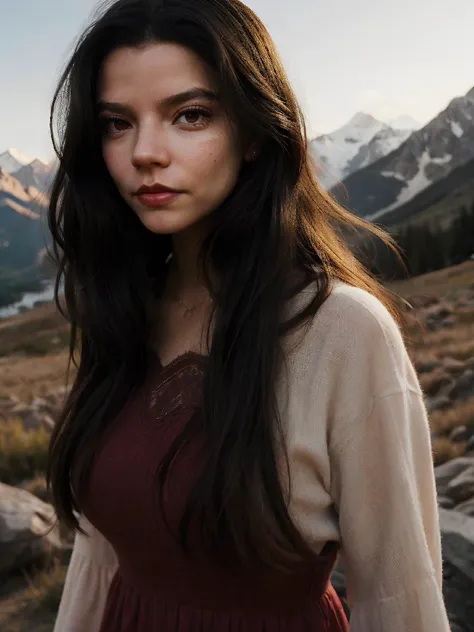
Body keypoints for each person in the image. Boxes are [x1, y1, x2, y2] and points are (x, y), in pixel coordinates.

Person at [46, 0, 451, 630]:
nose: (144, 152)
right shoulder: (122, 311)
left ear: (257, 132)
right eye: (117, 124)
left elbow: (398, 599)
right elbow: (99, 554)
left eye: (190, 115)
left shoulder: (343, 331)